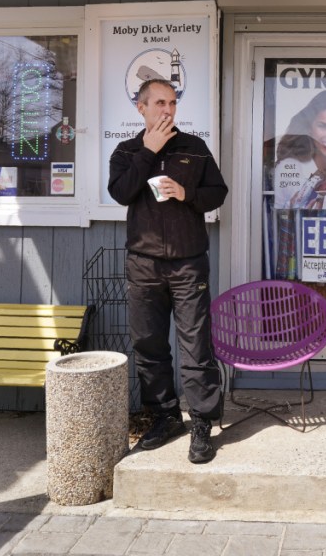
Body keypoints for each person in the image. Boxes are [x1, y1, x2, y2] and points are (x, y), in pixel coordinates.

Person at [107, 78, 228, 464]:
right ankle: (164, 416)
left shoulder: (195, 148)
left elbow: (218, 192)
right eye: (159, 103)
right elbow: (120, 192)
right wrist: (148, 152)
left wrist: (188, 194)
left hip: (189, 261)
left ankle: (202, 423)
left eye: (172, 102)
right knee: (149, 345)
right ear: (140, 108)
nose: (167, 110)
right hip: (143, 263)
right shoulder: (126, 151)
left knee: (196, 345)